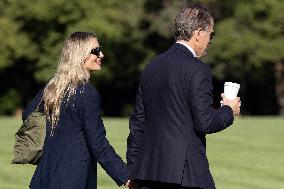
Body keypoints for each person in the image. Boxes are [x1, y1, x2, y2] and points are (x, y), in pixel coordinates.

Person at [127, 6, 241, 189]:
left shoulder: (151, 68)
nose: (210, 40)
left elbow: (138, 124)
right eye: (211, 34)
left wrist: (133, 170)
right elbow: (205, 122)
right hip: (185, 175)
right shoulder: (197, 69)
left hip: (147, 174)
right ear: (198, 33)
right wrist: (229, 110)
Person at [23, 32, 130, 189]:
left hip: (44, 178)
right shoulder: (86, 93)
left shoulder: (53, 88)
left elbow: (28, 116)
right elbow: (98, 143)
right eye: (95, 50)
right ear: (80, 55)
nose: (101, 54)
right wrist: (125, 176)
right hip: (73, 180)